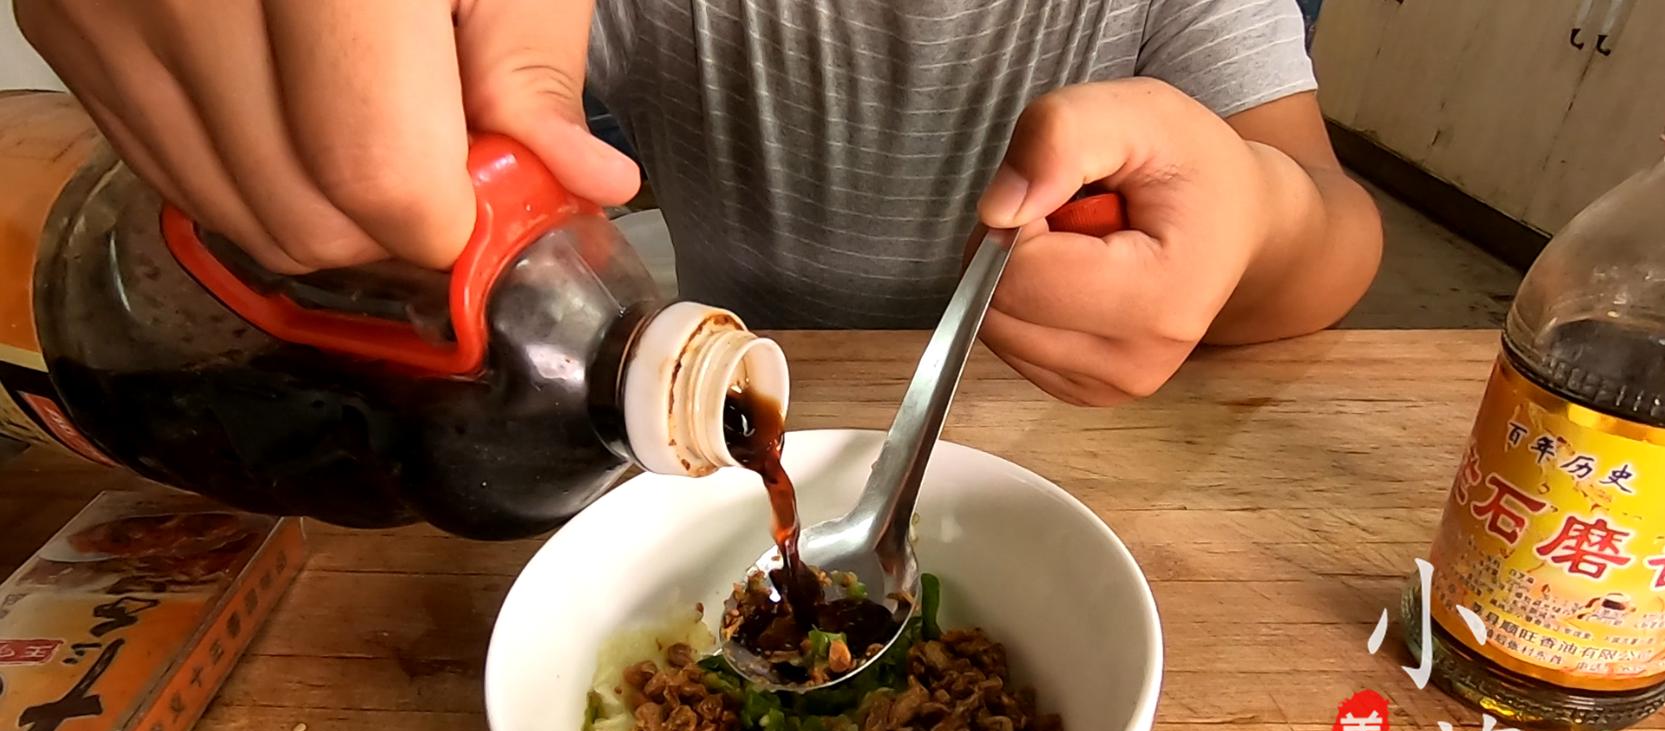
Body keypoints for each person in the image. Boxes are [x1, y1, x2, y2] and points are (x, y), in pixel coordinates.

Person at [16, 0, 1381, 407]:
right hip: (712, 424)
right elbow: (453, 96)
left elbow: (1332, 228)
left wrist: (1254, 221)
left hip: (1075, 457)